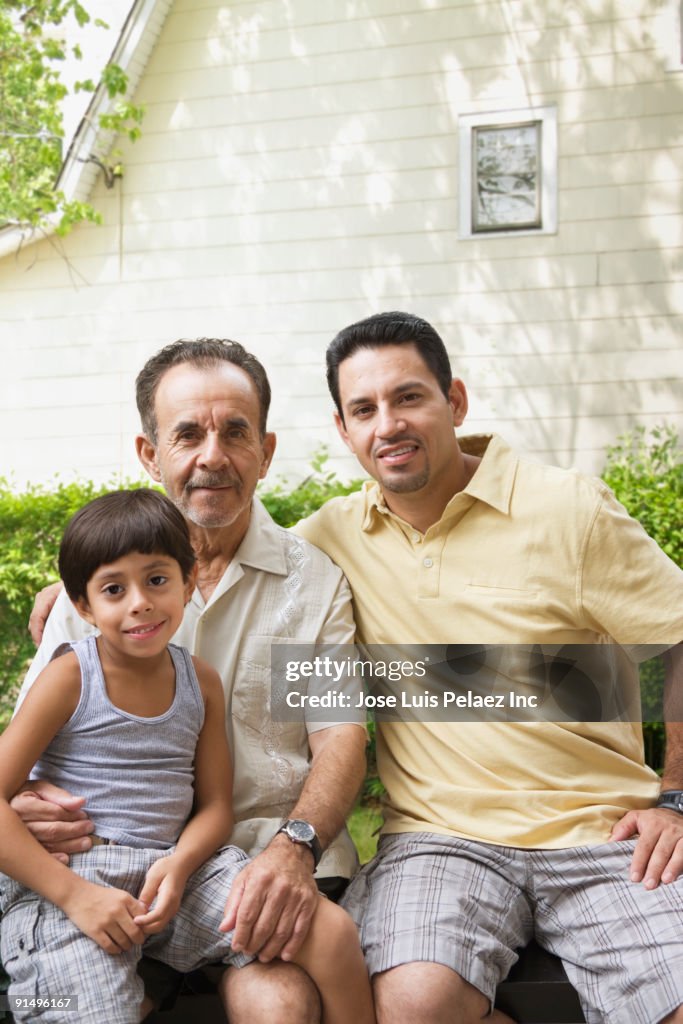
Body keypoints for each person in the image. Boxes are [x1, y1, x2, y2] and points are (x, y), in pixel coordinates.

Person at [294, 311, 683, 1024]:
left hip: (603, 835)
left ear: (456, 402)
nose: (388, 424)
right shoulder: (327, 539)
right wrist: (74, 594)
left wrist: (676, 798)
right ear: (344, 430)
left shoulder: (568, 509)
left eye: (408, 397)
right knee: (408, 1009)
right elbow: (210, 567)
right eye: (364, 410)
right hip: (439, 838)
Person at [16, 339, 368, 1023]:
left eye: (234, 432)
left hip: (259, 860)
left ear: (264, 452)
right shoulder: (95, 593)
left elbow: (337, 740)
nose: (212, 456)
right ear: (151, 454)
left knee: (279, 1002)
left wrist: (294, 848)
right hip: (101, 861)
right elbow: (29, 750)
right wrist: (32, 800)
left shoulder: (310, 584)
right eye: (187, 434)